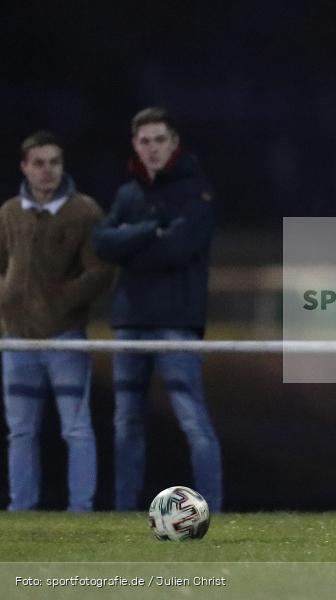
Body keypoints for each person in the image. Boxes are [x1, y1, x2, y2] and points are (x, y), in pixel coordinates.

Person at [92, 107, 222, 511]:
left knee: (193, 421)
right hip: (130, 321)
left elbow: (177, 250)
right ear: (135, 145)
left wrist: (129, 244)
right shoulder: (128, 194)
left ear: (174, 143)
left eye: (159, 140)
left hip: (176, 322)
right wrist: (151, 231)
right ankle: (123, 510)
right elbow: (101, 243)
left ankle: (213, 511)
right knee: (125, 422)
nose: (152, 148)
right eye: (144, 141)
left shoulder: (198, 190)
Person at [0, 131, 114, 511]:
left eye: (54, 162)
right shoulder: (9, 212)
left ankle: (80, 510)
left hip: (65, 338)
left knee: (76, 429)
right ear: (24, 167)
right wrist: (6, 298)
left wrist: (61, 300)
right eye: (39, 163)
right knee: (20, 432)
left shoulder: (85, 212)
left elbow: (100, 272)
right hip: (17, 340)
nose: (47, 170)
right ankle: (21, 508)